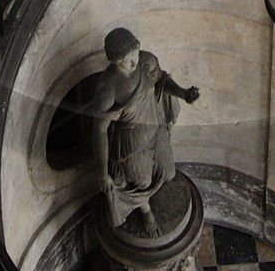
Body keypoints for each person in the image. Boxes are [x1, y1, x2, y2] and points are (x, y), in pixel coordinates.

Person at [84, 28, 200, 239]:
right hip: (131, 143)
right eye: (125, 60)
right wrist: (102, 173)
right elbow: (99, 131)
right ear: (114, 61)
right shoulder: (108, 89)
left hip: (154, 128)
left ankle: (147, 199)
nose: (132, 62)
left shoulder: (146, 62)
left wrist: (183, 93)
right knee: (142, 182)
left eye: (134, 54)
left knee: (169, 173)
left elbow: (161, 81)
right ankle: (145, 210)